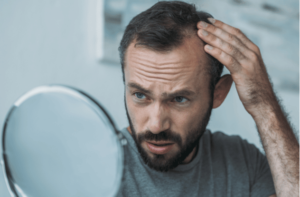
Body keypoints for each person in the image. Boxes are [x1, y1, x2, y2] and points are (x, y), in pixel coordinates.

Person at [116, 1, 299, 196]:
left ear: (218, 93)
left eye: (179, 99)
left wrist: (263, 104)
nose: (156, 125)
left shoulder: (243, 163)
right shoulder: (96, 165)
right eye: (140, 95)